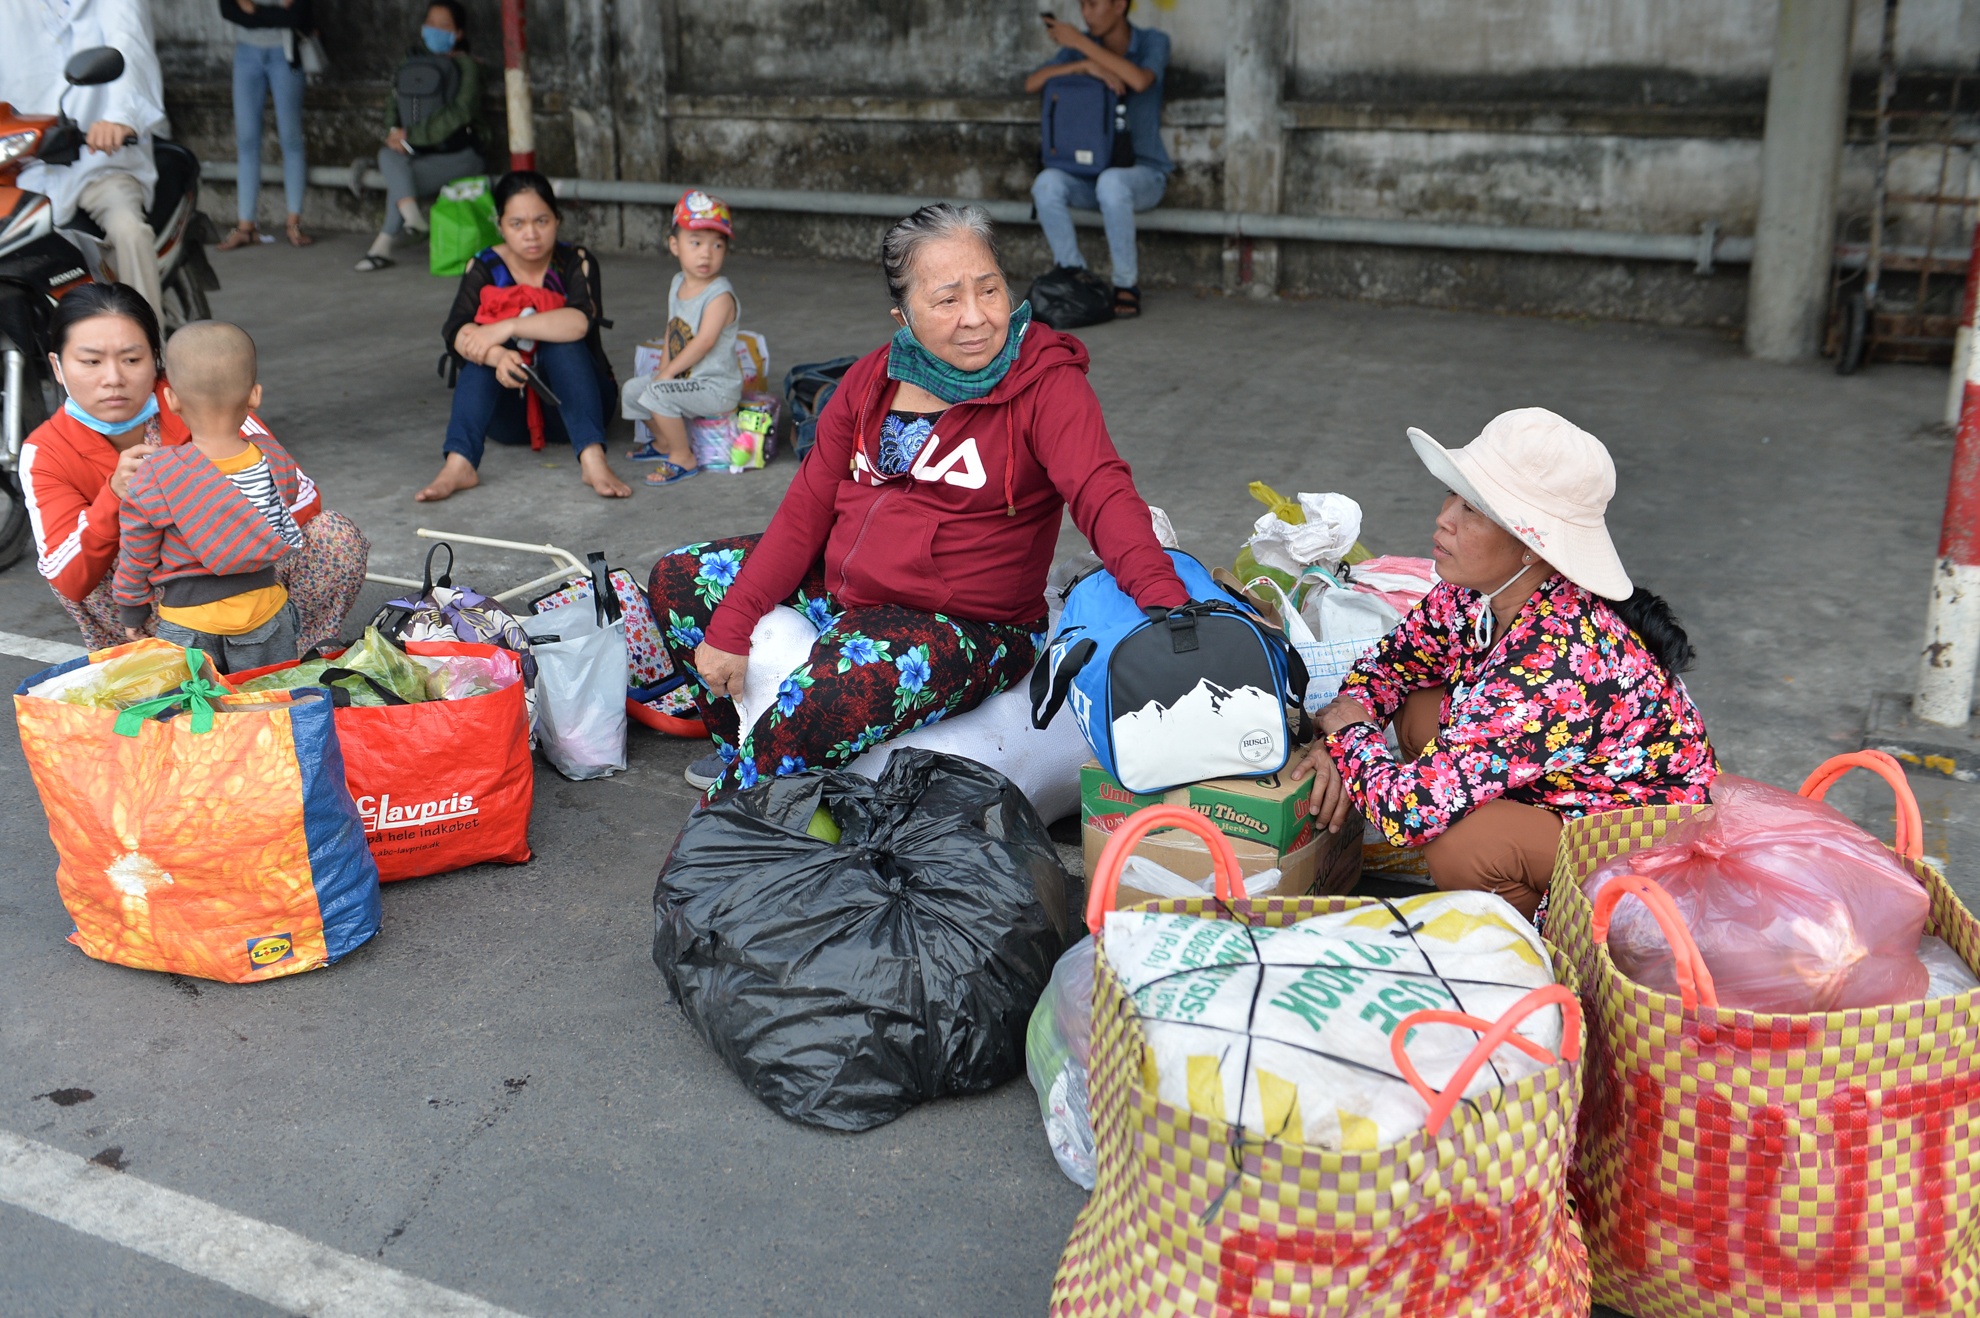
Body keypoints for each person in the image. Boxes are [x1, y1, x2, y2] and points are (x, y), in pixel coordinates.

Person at [648, 202, 1188, 796]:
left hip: (970, 623)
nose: (977, 318)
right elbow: (805, 514)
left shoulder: (1045, 383)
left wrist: (1165, 600)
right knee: (680, 580)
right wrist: (731, 624)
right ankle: (743, 748)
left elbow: (1102, 493)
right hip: (847, 587)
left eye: (990, 290)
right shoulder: (870, 379)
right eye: (947, 299)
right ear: (903, 315)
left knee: (837, 690)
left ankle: (742, 807)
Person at [1290, 408, 1719, 921]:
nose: (1444, 517)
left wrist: (1345, 737)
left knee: (1461, 842)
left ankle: (1554, 935)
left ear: (1529, 548)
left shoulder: (1556, 658)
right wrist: (1345, 731)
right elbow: (1394, 662)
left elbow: (1409, 812)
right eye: (1453, 496)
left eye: (1472, 510)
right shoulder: (1480, 594)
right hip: (1558, 794)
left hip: (1641, 852)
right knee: (1422, 710)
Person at [20, 282, 368, 653]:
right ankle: (152, 666)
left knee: (334, 535)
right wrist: (113, 498)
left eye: (131, 359)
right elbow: (66, 578)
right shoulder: (46, 450)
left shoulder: (200, 396)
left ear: (157, 361)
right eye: (91, 361)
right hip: (149, 608)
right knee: (97, 550)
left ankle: (294, 654)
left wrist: (204, 529)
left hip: (254, 587)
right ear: (57, 367)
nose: (113, 379)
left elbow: (303, 498)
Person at [113, 322, 314, 672]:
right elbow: (287, 502)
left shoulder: (158, 474)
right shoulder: (276, 458)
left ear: (171, 400)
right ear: (255, 395)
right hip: (267, 614)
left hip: (188, 626)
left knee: (197, 716)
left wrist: (133, 607)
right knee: (271, 707)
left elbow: (137, 552)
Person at [420, 171, 626, 501]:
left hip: (578, 408)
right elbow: (457, 330)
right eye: (517, 224)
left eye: (541, 221)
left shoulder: (576, 261)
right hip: (507, 418)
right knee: (481, 356)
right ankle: (459, 464)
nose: (531, 234)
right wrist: (498, 354)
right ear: (500, 224)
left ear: (557, 220)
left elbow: (578, 322)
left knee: (563, 342)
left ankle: (593, 460)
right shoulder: (484, 265)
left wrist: (508, 327)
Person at [0, 0, 170, 315]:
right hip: (25, 168)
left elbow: (129, 46)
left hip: (99, 163)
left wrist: (120, 118)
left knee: (128, 230)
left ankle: (148, 351)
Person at [1026, 0, 1171, 320]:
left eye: (1093, 4)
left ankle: (1126, 285)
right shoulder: (1082, 51)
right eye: (1082, 6)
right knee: (1047, 183)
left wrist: (1080, 43)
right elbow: (1032, 83)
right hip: (1090, 177)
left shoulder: (1153, 41)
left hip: (1143, 175)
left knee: (1112, 182)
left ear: (1119, 4)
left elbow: (1139, 80)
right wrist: (1082, 65)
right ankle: (1074, 273)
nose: (1086, 14)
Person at [353, 0, 485, 273]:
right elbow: (394, 101)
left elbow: (459, 113)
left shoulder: (466, 66)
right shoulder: (410, 61)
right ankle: (412, 220)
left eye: (444, 25)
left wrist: (410, 136)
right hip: (419, 155)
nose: (435, 30)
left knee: (401, 180)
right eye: (431, 24)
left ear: (458, 33)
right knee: (386, 154)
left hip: (460, 157)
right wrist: (394, 133)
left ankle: (383, 246)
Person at [621, 190, 740, 486]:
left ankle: (682, 456)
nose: (706, 253)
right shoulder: (678, 283)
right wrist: (663, 372)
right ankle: (663, 442)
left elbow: (704, 342)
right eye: (696, 243)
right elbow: (672, 330)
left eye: (717, 244)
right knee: (634, 391)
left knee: (657, 392)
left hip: (716, 387)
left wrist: (668, 377)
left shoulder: (720, 295)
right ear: (675, 245)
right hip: (686, 381)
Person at [217, 0, 315, 252]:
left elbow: (296, 15)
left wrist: (252, 8)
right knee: (247, 140)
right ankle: (246, 226)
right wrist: (273, 11)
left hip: (285, 52)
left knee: (290, 138)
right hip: (246, 53)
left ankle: (294, 221)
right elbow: (228, 11)